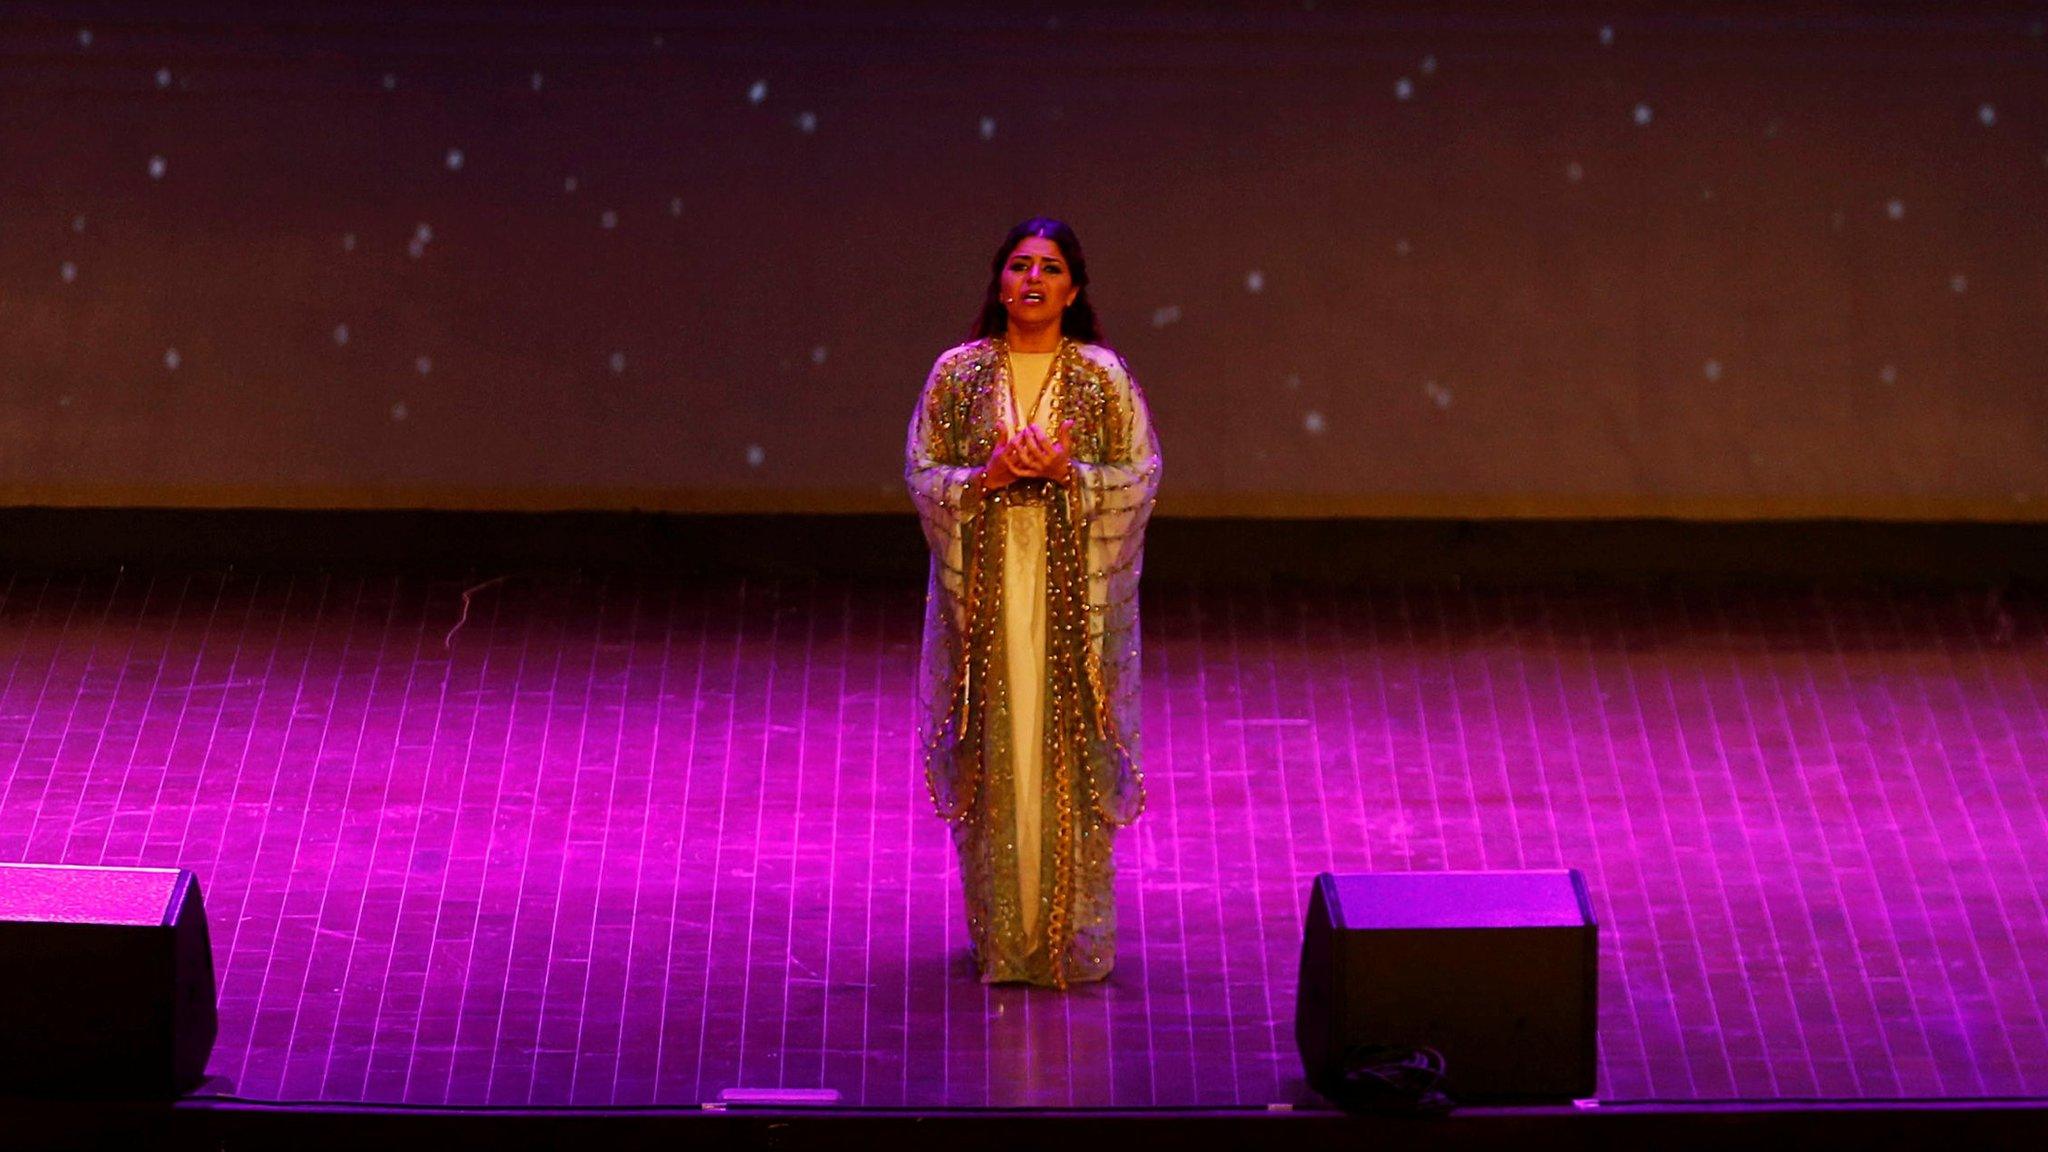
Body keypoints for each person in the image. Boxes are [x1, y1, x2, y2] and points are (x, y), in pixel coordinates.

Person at [904, 217, 1161, 987]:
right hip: (987, 590)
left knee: (1066, 743)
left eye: (1050, 267)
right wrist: (984, 479)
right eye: (1019, 266)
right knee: (998, 742)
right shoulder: (959, 374)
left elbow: (1140, 474)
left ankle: (1071, 937)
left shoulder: (1101, 377)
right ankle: (1004, 938)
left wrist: (1069, 473)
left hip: (1070, 598)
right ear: (1001, 283)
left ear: (1073, 289)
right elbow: (923, 471)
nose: (1033, 279)